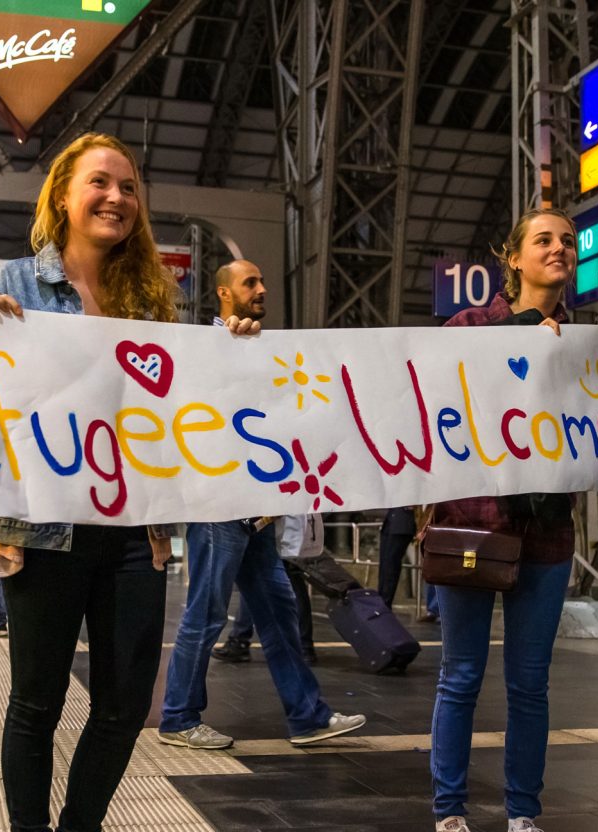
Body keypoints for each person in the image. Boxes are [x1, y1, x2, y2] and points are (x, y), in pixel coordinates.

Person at [0, 133, 206, 832]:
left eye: (129, 188)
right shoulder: (7, 287)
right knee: (35, 702)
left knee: (126, 705)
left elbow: (183, 406)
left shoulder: (154, 302)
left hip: (137, 527)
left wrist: (233, 349)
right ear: (63, 196)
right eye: (101, 182)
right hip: (44, 525)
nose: (117, 198)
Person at [429, 208, 598, 832]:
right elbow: (441, 400)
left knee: (530, 684)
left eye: (568, 242)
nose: (559, 249)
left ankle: (523, 812)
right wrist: (526, 330)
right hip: (475, 525)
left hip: (548, 534)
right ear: (513, 258)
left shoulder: (588, 349)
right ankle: (449, 811)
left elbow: (596, 438)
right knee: (460, 675)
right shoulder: (469, 325)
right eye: (544, 240)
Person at [158, 259, 366, 752]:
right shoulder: (207, 348)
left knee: (278, 613)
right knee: (206, 612)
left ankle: (307, 715)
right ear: (224, 295)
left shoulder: (261, 349)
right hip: (218, 506)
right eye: (250, 282)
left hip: (254, 509)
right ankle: (178, 717)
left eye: (262, 279)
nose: (262, 288)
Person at [213, 513, 324, 664]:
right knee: (260, 582)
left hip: (279, 525)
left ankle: (302, 647)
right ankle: (239, 639)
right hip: (281, 524)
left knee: (284, 582)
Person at [378, 506, 417, 608]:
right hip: (390, 521)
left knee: (391, 565)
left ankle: (385, 603)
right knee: (384, 565)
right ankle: (381, 601)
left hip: (402, 523)